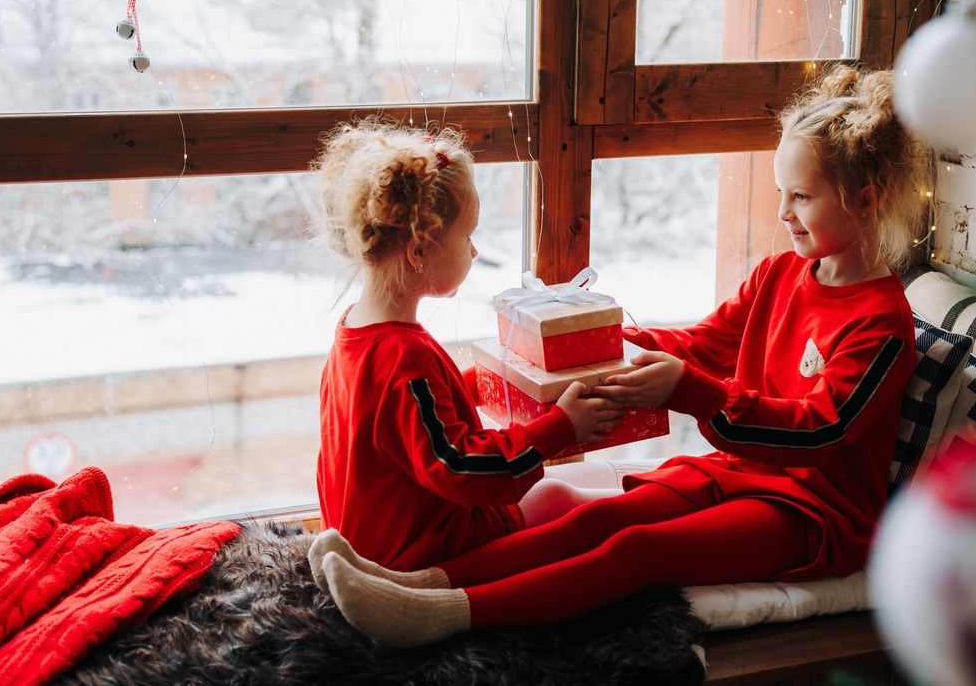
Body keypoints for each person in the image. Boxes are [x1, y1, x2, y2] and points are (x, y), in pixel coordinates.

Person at [309, 67, 930, 647]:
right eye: (780, 192)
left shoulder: (883, 323)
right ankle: (413, 585)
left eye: (801, 197)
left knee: (637, 552)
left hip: (811, 512)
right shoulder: (777, 275)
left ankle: (439, 614)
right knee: (595, 521)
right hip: (735, 472)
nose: (781, 212)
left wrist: (692, 392)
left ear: (867, 200)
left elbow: (820, 432)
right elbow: (706, 340)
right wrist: (600, 347)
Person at [309, 120, 624, 573]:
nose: (474, 253)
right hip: (417, 552)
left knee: (564, 487)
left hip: (375, 536)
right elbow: (461, 468)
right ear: (418, 250)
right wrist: (562, 429)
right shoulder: (406, 356)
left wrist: (485, 382)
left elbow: (405, 421)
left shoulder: (356, 331)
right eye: (467, 236)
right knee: (559, 497)